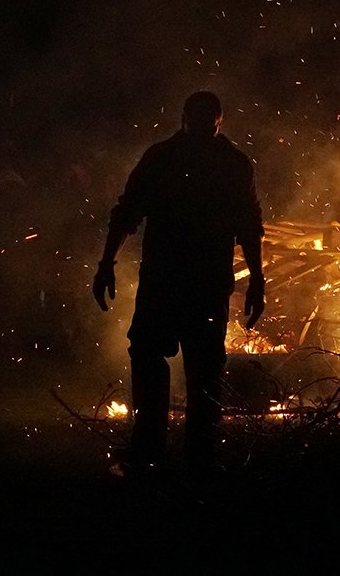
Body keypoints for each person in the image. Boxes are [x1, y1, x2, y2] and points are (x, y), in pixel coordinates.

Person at [93, 91, 266, 473]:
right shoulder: (171, 159)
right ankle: (159, 447)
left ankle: (190, 453)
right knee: (157, 355)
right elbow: (126, 213)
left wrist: (257, 278)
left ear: (219, 121)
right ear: (185, 118)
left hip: (190, 281)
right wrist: (106, 262)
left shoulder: (228, 163)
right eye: (198, 121)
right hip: (171, 280)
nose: (204, 128)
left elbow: (249, 226)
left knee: (200, 365)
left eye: (210, 122)